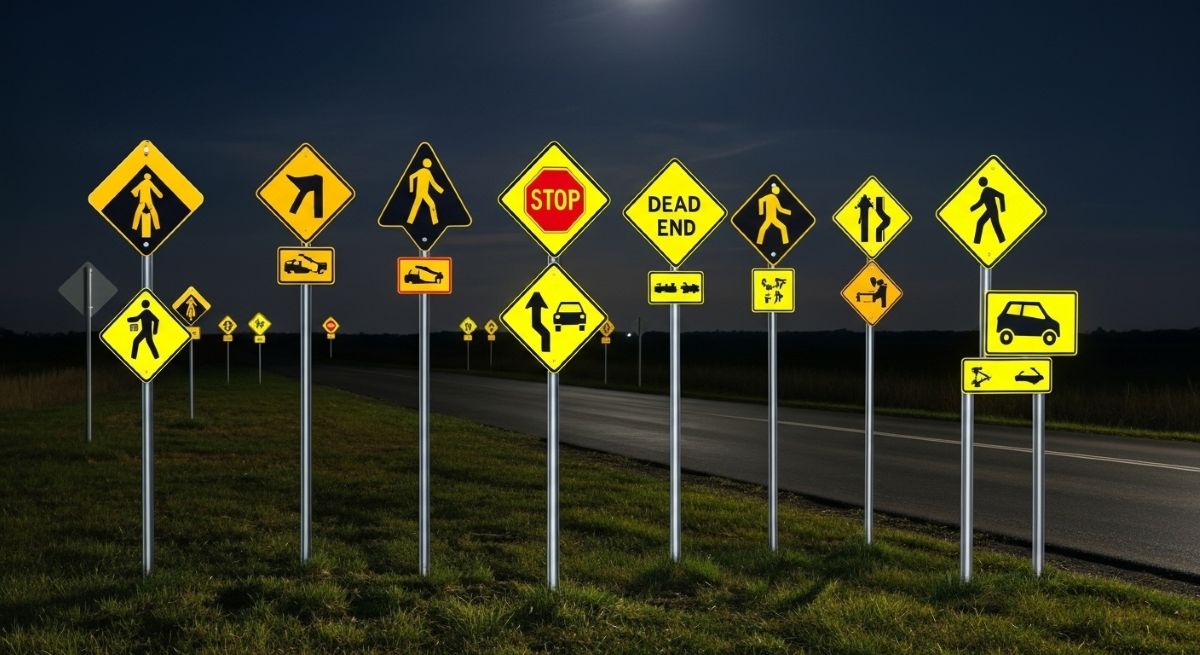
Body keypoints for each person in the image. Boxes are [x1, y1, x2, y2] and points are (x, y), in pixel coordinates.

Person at [407, 158, 444, 225]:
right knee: (431, 204)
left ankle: (410, 221)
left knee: (417, 205)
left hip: (422, 193)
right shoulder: (425, 172)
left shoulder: (425, 171)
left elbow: (432, 183)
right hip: (422, 193)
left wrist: (440, 190)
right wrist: (411, 189)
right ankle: (435, 221)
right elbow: (433, 183)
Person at [970, 176, 1006, 244]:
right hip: (989, 211)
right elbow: (981, 202)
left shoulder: (988, 190)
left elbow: (1001, 195)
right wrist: (972, 208)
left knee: (995, 224)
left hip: (993, 210)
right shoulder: (985, 191)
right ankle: (977, 241)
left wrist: (1002, 209)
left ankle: (1002, 240)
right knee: (980, 222)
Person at [131, 173, 162, 240]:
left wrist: (136, 194)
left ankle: (134, 227)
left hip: (142, 201)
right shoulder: (148, 182)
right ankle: (157, 226)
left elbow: (135, 190)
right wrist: (160, 195)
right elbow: (155, 189)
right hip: (148, 201)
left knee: (137, 212)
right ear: (149, 177)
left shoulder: (142, 183)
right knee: (153, 212)